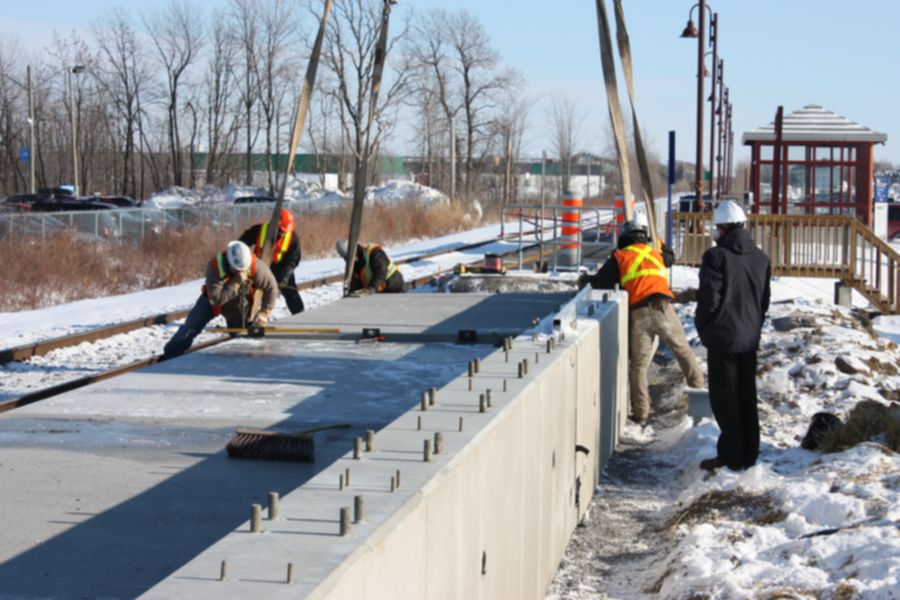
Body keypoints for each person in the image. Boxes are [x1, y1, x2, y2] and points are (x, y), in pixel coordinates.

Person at [580, 212, 704, 425]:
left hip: (640, 314)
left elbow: (602, 282)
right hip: (665, 309)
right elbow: (670, 257)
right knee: (683, 351)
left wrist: (584, 280)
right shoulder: (655, 253)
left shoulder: (619, 257)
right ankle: (700, 394)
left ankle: (641, 414)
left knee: (639, 366)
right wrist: (660, 244)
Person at [695, 200, 771, 471]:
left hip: (723, 339)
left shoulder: (715, 257)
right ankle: (750, 454)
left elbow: (708, 300)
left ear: (723, 229)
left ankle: (732, 456)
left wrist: (703, 328)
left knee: (725, 399)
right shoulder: (761, 258)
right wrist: (754, 327)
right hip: (749, 338)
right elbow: (764, 301)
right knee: (746, 398)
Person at [163, 240, 279, 359]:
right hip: (212, 300)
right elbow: (218, 299)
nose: (241, 272)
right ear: (229, 262)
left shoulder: (255, 266)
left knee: (240, 338)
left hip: (238, 303)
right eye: (237, 269)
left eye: (243, 269)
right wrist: (236, 282)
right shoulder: (215, 267)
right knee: (189, 329)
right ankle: (169, 357)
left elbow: (272, 287)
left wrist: (264, 313)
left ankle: (240, 364)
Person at [239, 209, 304, 314]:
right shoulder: (259, 230)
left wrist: (284, 278)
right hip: (259, 267)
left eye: (285, 231)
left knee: (291, 292)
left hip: (281, 268)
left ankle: (300, 316)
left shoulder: (293, 238)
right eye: (281, 230)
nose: (283, 233)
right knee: (249, 293)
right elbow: (241, 244)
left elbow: (293, 260)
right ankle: (246, 320)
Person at [335, 240, 405, 296]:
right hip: (381, 293)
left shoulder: (373, 252)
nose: (352, 259)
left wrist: (371, 289)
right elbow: (355, 285)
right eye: (347, 258)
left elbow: (381, 271)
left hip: (394, 287)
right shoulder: (355, 266)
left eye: (350, 257)